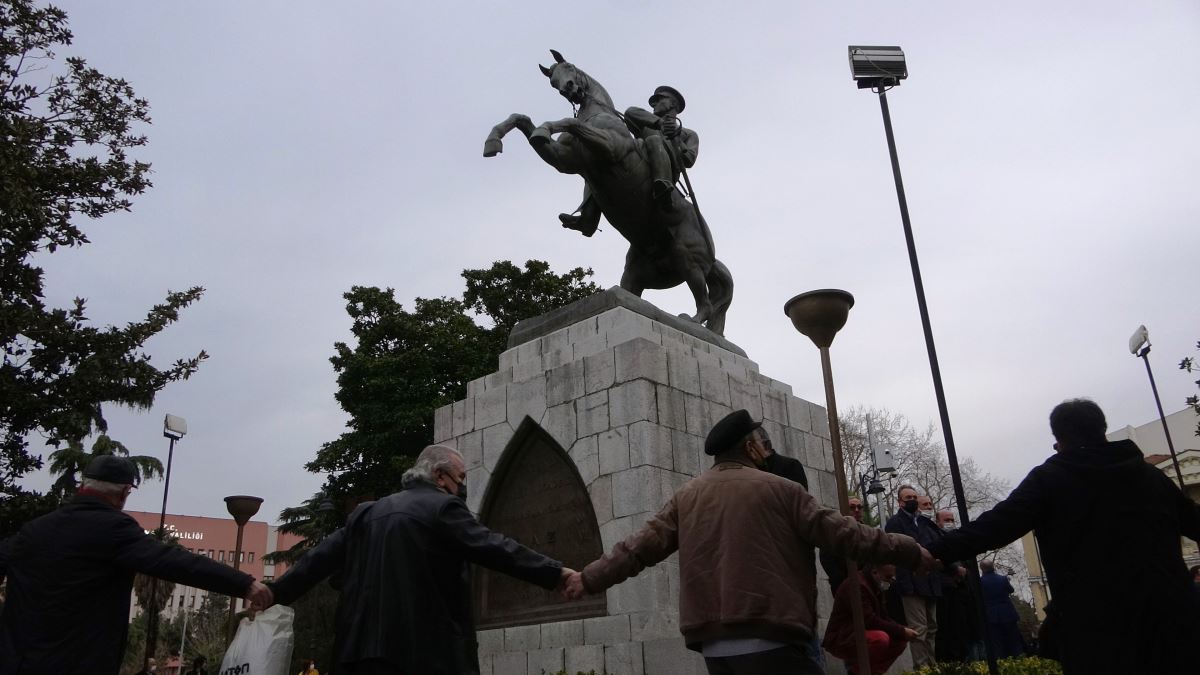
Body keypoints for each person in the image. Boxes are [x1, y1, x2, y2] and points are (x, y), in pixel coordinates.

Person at [563, 409, 933, 675]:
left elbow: (637, 548)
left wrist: (589, 578)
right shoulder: (782, 490)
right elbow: (847, 534)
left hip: (715, 646)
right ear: (751, 448)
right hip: (772, 636)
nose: (766, 449)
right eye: (761, 443)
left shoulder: (687, 496)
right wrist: (909, 549)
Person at [927, 398, 1200, 674]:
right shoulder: (1151, 477)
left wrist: (934, 550)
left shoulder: (1051, 479)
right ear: (1103, 430)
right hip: (1170, 619)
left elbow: (996, 525)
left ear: (1058, 439)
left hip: (1096, 626)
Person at [265, 445, 573, 675]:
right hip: (422, 656)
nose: (462, 486)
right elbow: (496, 548)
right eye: (460, 477)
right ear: (440, 476)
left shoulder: (366, 514)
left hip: (356, 655)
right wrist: (556, 574)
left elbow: (316, 560)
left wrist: (274, 593)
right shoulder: (442, 509)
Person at [0, 456, 272, 675]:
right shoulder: (113, 529)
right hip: (79, 662)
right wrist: (244, 584)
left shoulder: (33, 530)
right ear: (123, 493)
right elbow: (178, 563)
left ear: (84, 485)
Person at [559, 85, 699, 236]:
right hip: (641, 159)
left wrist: (676, 137)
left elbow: (689, 160)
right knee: (598, 165)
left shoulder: (688, 134)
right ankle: (588, 219)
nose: (654, 104)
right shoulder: (646, 119)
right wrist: (660, 125)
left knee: (653, 140)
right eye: (654, 101)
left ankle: (663, 187)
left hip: (667, 167)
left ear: (673, 104)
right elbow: (630, 115)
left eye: (659, 100)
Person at [884, 485, 943, 667]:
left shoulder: (926, 523)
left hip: (930, 581)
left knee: (932, 627)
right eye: (907, 497)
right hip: (910, 583)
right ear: (900, 502)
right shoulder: (895, 523)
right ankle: (922, 667)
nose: (912, 500)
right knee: (919, 628)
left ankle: (932, 664)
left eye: (914, 497)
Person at [822, 563, 917, 675]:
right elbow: (869, 620)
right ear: (875, 572)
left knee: (899, 641)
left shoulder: (873, 585)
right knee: (881, 639)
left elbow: (883, 616)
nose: (890, 581)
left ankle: (874, 672)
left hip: (856, 634)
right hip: (842, 637)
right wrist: (901, 630)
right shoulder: (858, 585)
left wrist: (902, 631)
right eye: (888, 577)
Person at [932, 510, 984, 663]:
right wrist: (955, 569)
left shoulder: (959, 539)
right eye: (946, 519)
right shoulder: (937, 538)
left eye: (951, 519)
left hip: (964, 592)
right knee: (950, 632)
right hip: (947, 592)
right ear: (938, 522)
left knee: (967, 631)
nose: (950, 522)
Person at [819, 497, 865, 594]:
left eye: (859, 507)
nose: (856, 510)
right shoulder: (834, 531)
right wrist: (843, 582)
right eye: (852, 507)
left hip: (866, 586)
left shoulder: (867, 532)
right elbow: (827, 559)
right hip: (844, 587)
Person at [978, 560, 1024, 658]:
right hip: (1007, 613)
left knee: (997, 642)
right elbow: (1011, 590)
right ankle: (1019, 660)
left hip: (991, 615)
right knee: (1014, 640)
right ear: (993, 567)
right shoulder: (1002, 579)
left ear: (982, 569)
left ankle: (1002, 662)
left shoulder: (980, 582)